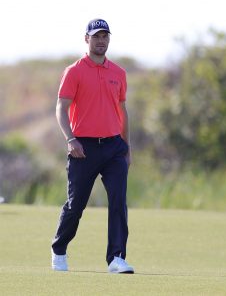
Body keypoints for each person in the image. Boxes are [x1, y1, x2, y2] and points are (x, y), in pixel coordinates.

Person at [51, 18, 134, 274]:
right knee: (76, 205)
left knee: (118, 201)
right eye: (96, 36)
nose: (101, 41)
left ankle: (116, 258)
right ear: (86, 39)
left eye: (105, 36)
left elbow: (122, 110)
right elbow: (61, 108)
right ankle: (59, 249)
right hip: (82, 147)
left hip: (113, 148)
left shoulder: (118, 73)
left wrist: (126, 146)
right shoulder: (74, 71)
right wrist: (70, 139)